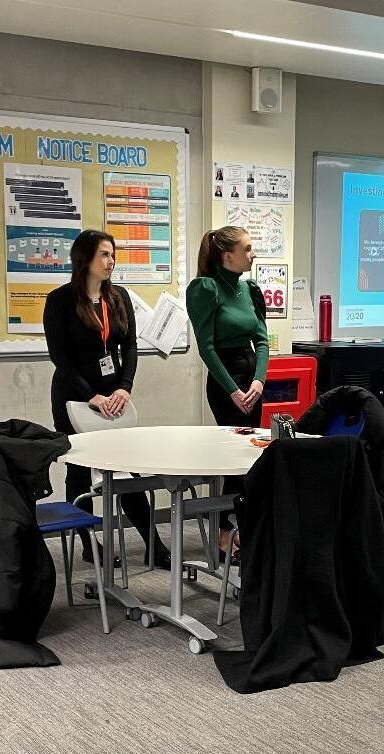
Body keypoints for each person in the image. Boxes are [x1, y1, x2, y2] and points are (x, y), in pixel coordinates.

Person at [43, 229, 171, 568]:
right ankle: (89, 543)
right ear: (84, 258)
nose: (111, 261)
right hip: (74, 397)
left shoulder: (118, 297)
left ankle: (153, 545)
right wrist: (91, 395)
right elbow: (59, 357)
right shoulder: (60, 300)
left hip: (114, 395)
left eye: (113, 254)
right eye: (104, 254)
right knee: (80, 472)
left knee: (124, 472)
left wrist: (124, 387)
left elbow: (129, 346)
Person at [186, 226, 269, 558]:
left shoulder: (250, 288)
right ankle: (224, 532)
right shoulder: (205, 288)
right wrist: (233, 390)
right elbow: (206, 347)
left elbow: (261, 339)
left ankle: (242, 530)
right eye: (247, 249)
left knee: (250, 456)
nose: (253, 254)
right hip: (226, 380)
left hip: (252, 378)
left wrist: (259, 380)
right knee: (234, 459)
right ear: (226, 255)